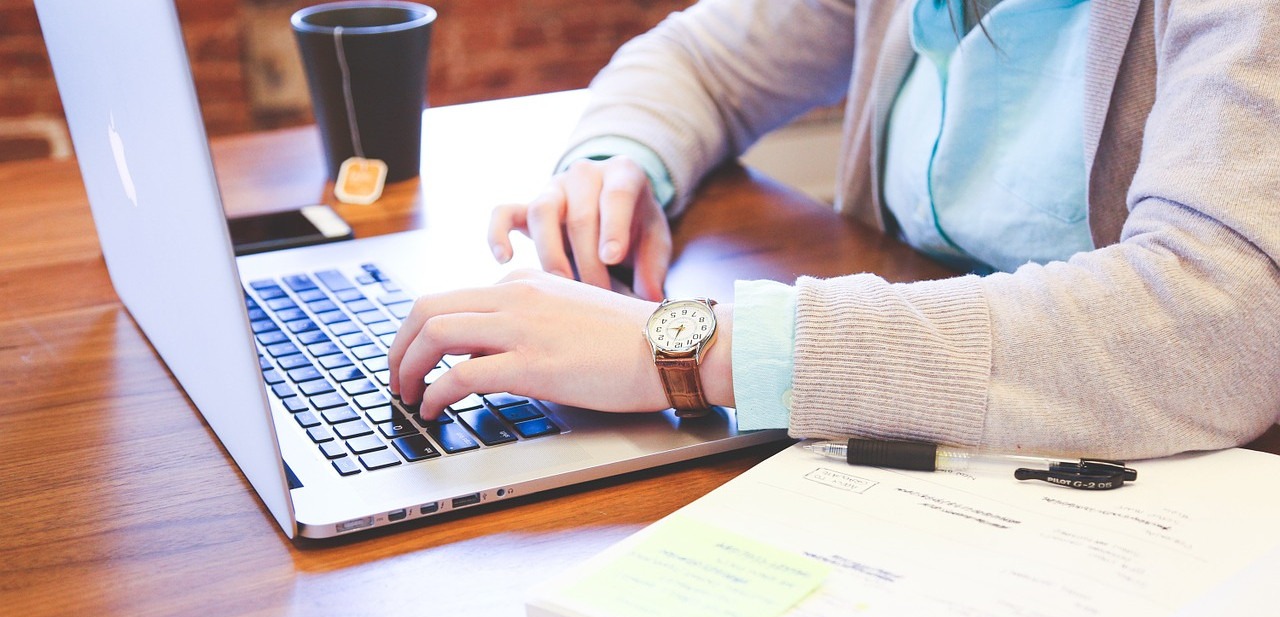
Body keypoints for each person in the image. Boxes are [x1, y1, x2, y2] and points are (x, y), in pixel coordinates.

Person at [388, 0, 1280, 459]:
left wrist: (687, 350)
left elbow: (1220, 318)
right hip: (919, 455)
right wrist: (616, 164)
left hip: (1156, 492)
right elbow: (699, 59)